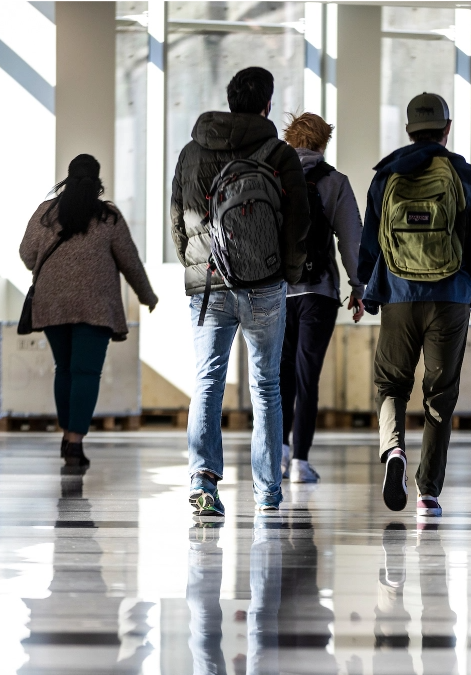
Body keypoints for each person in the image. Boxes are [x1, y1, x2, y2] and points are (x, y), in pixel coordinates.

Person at [170, 67, 309, 517]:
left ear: (229, 101)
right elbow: (299, 221)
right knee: (266, 385)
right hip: (265, 285)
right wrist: (283, 272)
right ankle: (268, 491)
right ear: (267, 104)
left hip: (208, 283)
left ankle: (203, 481)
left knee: (208, 380)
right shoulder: (280, 153)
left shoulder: (192, 152)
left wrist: (194, 265)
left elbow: (179, 217)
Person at [358, 92, 471, 517]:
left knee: (390, 384)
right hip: (450, 297)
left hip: (398, 295)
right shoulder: (467, 176)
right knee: (440, 395)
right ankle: (428, 492)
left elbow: (368, 246)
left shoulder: (385, 177)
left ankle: (393, 448)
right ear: (446, 129)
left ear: (409, 130)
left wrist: (368, 288)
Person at [19, 154, 158, 467]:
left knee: (65, 369)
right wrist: (147, 295)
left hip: (52, 301)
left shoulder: (47, 212)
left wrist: (54, 271)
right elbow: (130, 261)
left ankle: (67, 435)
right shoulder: (108, 217)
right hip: (96, 305)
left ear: (68, 179)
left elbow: (27, 253)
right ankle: (74, 442)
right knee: (86, 372)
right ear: (97, 182)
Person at [279, 112, 366, 484]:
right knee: (306, 377)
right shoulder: (335, 182)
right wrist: (358, 287)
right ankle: (300, 461)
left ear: (290, 139)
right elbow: (352, 240)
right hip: (319, 291)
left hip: (275, 293)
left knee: (276, 376)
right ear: (323, 142)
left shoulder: (271, 177)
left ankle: (277, 453)